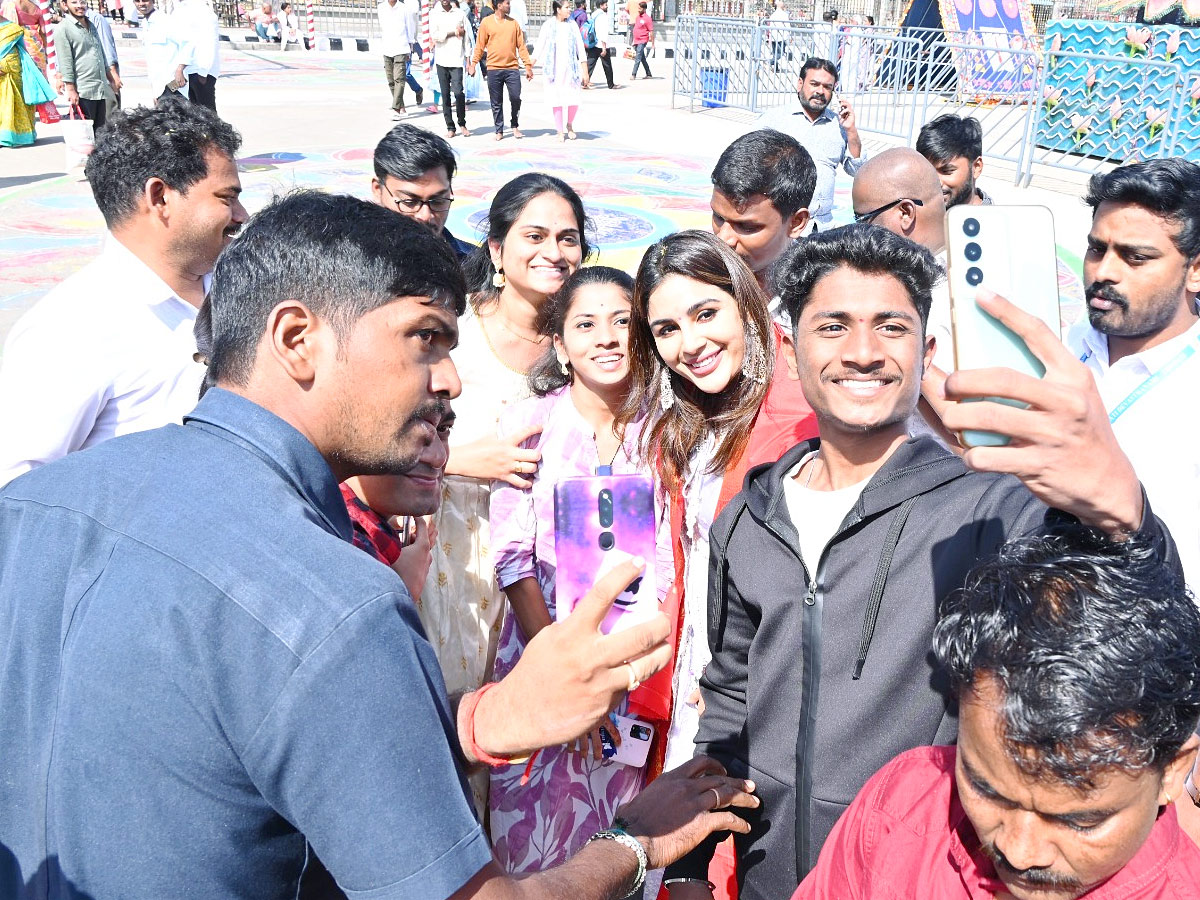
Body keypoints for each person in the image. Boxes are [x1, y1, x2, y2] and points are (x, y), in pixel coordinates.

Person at [0, 189, 761, 900]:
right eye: (425, 340)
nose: (453, 381)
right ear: (297, 339)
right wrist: (632, 842)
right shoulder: (334, 600)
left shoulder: (37, 503)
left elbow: (229, 745)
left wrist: (477, 723)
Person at [661, 224, 1177, 900]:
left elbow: (1146, 620)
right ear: (790, 350)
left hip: (917, 876)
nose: (864, 352)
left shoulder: (995, 512)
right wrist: (691, 868)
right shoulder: (746, 520)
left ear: (926, 349)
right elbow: (727, 700)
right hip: (768, 877)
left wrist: (1124, 514)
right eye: (834, 326)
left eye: (891, 327)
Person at [795, 524, 1200, 899]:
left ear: (1172, 770)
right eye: (986, 789)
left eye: (1079, 821)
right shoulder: (901, 805)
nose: (1020, 851)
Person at [621, 230, 820, 897]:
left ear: (746, 304)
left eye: (706, 313)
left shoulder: (799, 421)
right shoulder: (684, 423)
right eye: (667, 329)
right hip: (692, 678)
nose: (690, 343)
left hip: (761, 693)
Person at [418, 173, 589, 815]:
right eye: (535, 235)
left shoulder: (587, 337)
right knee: (451, 737)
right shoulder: (452, 328)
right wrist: (465, 461)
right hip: (453, 569)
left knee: (525, 748)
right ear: (495, 247)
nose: (554, 251)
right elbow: (384, 444)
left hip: (544, 586)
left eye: (568, 239)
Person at [489, 266, 660, 871]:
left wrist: (616, 678)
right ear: (560, 346)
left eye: (622, 321)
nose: (607, 337)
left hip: (641, 674)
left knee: (624, 843)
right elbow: (513, 560)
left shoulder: (670, 427)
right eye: (586, 324)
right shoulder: (533, 423)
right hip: (541, 659)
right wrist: (563, 669)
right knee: (533, 843)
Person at [0, 100, 247, 487]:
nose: (241, 214)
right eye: (226, 197)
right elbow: (16, 490)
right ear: (160, 197)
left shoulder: (238, 288)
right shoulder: (67, 332)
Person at [1068, 159, 1200, 592]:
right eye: (1096, 248)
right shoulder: (1067, 340)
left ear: (1194, 270)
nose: (1104, 272)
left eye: (1135, 257)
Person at [850, 147, 951, 370]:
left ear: (905, 213)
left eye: (862, 219)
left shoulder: (933, 297)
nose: (859, 232)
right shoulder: (980, 265)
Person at [709, 129, 815, 312]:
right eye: (718, 217)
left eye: (746, 227)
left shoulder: (820, 301)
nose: (723, 239)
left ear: (796, 223)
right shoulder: (695, 281)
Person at [758, 57, 862, 230]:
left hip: (821, 226)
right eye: (814, 84)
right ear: (800, 84)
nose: (820, 91)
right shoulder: (773, 120)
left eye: (827, 87)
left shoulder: (839, 125)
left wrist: (851, 131)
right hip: (782, 224)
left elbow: (857, 170)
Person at [370, 123, 474, 260]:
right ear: (378, 190)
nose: (426, 216)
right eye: (409, 202)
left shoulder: (474, 265)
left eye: (438, 201)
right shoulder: (346, 265)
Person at [468, 0, 532, 141]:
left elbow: (521, 46)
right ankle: (499, 129)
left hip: (512, 69)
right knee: (496, 102)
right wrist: (473, 64)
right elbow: (479, 46)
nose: (509, 6)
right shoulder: (486, 23)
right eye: (507, 3)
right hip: (493, 69)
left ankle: (514, 125)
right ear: (499, 5)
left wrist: (528, 65)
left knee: (515, 97)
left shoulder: (514, 24)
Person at [53, 0, 118, 126]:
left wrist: (111, 77)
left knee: (101, 132)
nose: (79, 6)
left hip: (100, 89)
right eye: (74, 2)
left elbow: (101, 53)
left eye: (82, 2)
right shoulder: (63, 29)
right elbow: (65, 62)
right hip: (83, 91)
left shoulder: (91, 24)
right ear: (65, 4)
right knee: (86, 135)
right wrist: (71, 89)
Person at [533, 0, 588, 142]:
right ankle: (559, 131)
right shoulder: (548, 25)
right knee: (556, 99)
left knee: (573, 98)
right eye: (567, 7)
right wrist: (529, 64)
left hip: (571, 69)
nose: (570, 10)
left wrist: (585, 71)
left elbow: (580, 48)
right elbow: (539, 47)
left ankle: (570, 125)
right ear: (558, 9)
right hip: (554, 70)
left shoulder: (572, 25)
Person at [0, 0, 60, 123]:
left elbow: (8, 28)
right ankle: (38, 106)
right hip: (36, 44)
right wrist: (46, 51)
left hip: (19, 42)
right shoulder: (39, 5)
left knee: (22, 79)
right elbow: (44, 31)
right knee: (36, 77)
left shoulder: (10, 4)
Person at [916, 113, 992, 208]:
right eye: (928, 172)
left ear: (976, 167)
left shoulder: (993, 221)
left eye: (947, 171)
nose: (936, 182)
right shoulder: (914, 211)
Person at [0, 11, 52, 147]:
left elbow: (22, 51)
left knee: (12, 101)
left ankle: (14, 136)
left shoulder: (12, 29)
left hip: (11, 70)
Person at [134, 0, 188, 103]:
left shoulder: (166, 21)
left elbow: (188, 45)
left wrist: (180, 69)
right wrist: (155, 92)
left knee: (176, 115)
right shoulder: (145, 23)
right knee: (164, 115)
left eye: (145, 0)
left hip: (174, 84)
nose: (141, 4)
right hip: (160, 87)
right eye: (137, 1)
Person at [431, 0, 470, 136]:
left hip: (457, 60)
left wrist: (468, 59)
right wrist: (453, 32)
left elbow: (466, 37)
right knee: (445, 95)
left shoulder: (460, 14)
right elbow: (435, 36)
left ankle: (462, 123)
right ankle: (450, 127)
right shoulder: (434, 14)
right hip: (442, 60)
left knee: (458, 93)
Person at [178, 0, 220, 109]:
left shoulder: (204, 12)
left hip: (200, 72)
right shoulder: (182, 8)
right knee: (192, 113)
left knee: (207, 114)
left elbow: (210, 41)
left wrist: (203, 72)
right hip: (185, 72)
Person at [378, 0, 416, 117]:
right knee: (391, 80)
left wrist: (410, 47)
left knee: (399, 79)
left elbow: (410, 29)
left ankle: (396, 110)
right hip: (387, 48)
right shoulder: (381, 8)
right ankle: (402, 106)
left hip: (401, 47)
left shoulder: (405, 9)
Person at [585, 0, 616, 89]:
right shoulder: (603, 16)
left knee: (590, 64)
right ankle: (611, 84)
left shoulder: (593, 15)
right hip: (601, 44)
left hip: (593, 42)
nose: (607, 6)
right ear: (601, 5)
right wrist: (604, 47)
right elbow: (603, 32)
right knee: (607, 65)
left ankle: (584, 82)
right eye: (606, 5)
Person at [629, 0, 652, 79]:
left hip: (643, 40)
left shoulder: (647, 19)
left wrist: (653, 43)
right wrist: (633, 41)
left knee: (638, 57)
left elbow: (651, 31)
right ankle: (648, 73)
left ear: (644, 9)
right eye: (638, 8)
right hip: (637, 40)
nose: (638, 10)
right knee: (642, 57)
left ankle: (633, 74)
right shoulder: (638, 17)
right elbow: (636, 28)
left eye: (640, 8)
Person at [767, 0, 788, 71]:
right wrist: (789, 35)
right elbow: (787, 26)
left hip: (773, 36)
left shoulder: (773, 15)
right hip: (781, 37)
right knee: (780, 53)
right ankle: (769, 62)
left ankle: (775, 68)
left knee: (775, 53)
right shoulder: (784, 14)